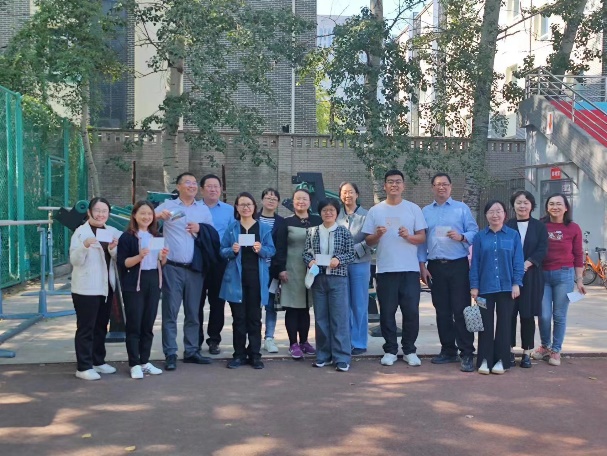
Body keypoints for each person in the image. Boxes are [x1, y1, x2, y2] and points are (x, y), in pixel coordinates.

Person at [362, 170, 427, 367]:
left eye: (398, 182)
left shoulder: (413, 209)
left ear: (403, 186)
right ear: (384, 186)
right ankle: (390, 350)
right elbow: (368, 240)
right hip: (385, 270)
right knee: (387, 313)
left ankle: (409, 350)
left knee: (411, 312)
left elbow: (422, 237)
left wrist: (408, 236)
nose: (394, 185)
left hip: (409, 270)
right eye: (390, 182)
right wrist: (377, 235)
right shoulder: (376, 211)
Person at [418, 173, 479, 372]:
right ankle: (448, 350)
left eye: (445, 184)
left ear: (451, 187)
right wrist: (422, 265)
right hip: (435, 267)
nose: (441, 187)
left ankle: (467, 352)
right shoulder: (425, 211)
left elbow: (475, 232)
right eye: (437, 184)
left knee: (461, 310)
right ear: (432, 188)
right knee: (442, 311)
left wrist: (461, 236)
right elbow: (422, 240)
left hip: (458, 265)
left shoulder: (462, 209)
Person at [156, 172, 214, 370]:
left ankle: (191, 351)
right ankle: (170, 353)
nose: (192, 185)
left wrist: (200, 228)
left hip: (195, 269)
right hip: (172, 268)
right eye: (187, 182)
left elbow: (211, 235)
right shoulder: (168, 205)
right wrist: (158, 216)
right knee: (170, 313)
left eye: (194, 183)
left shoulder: (203, 209)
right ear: (178, 186)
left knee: (193, 313)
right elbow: (145, 219)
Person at [219, 192, 275, 369]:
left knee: (255, 318)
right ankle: (239, 355)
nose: (245, 207)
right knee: (239, 319)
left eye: (248, 204)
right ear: (236, 207)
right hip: (236, 280)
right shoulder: (232, 228)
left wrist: (261, 249)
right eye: (242, 204)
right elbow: (222, 250)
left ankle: (255, 355)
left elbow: (271, 250)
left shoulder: (263, 228)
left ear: (254, 207)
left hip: (257, 279)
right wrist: (232, 250)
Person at [470, 200, 524, 375]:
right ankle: (484, 360)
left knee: (504, 324)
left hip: (507, 288)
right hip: (484, 289)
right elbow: (475, 263)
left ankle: (502, 360)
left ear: (505, 214)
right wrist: (474, 286)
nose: (495, 215)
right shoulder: (479, 237)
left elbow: (518, 261)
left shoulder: (513, 235)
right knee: (485, 325)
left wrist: (516, 283)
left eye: (499, 211)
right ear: (486, 215)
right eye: (491, 212)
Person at [69, 197, 121, 381]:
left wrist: (113, 249)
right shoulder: (80, 233)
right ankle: (83, 366)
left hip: (105, 287)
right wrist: (84, 246)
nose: (100, 214)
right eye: (97, 210)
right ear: (89, 212)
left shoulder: (112, 231)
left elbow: (118, 259)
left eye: (104, 211)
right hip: (86, 289)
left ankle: (98, 361)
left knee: (101, 326)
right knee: (86, 328)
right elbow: (75, 261)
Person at [532, 193, 586, 366]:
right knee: (544, 315)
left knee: (559, 315)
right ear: (547, 207)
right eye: (551, 204)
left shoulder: (573, 228)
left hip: (564, 275)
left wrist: (579, 280)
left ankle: (555, 350)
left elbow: (578, 255)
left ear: (566, 207)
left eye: (559, 204)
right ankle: (545, 346)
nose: (555, 207)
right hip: (542, 275)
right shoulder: (540, 225)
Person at [117, 201, 169, 379]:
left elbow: (161, 263)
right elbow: (123, 263)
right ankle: (134, 364)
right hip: (134, 283)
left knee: (148, 323)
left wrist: (163, 256)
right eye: (142, 213)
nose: (146, 217)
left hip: (153, 280)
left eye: (149, 214)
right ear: (134, 215)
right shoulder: (127, 237)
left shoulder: (157, 235)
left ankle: (145, 361)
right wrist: (139, 256)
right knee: (134, 324)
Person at [304, 198, 356, 372]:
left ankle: (342, 357)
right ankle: (323, 355)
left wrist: (338, 259)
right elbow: (306, 253)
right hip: (318, 279)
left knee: (339, 318)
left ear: (337, 213)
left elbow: (351, 254)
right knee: (321, 318)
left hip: (338, 279)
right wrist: (310, 261)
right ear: (320, 213)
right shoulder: (312, 232)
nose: (328, 213)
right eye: (325, 210)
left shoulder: (344, 232)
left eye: (331, 210)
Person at [273, 189, 322, 359]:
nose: (301, 201)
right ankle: (293, 344)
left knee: (305, 308)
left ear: (310, 202)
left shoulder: (318, 220)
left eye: (304, 199)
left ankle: (304, 342)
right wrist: (280, 269)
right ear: (293, 202)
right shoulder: (285, 222)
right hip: (292, 269)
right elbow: (279, 247)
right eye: (298, 199)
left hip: (312, 270)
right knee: (293, 308)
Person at [506, 190, 548, 368]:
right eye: (518, 202)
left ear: (531, 205)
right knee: (509, 314)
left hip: (531, 276)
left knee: (527, 315)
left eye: (525, 202)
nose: (522, 206)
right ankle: (508, 350)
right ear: (513, 205)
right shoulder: (507, 225)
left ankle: (526, 353)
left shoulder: (539, 226)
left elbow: (542, 249)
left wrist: (527, 263)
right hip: (509, 277)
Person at [198, 174, 235, 355]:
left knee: (217, 303)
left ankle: (214, 339)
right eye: (209, 186)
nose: (213, 189)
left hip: (220, 260)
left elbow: (234, 234)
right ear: (202, 189)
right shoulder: (194, 208)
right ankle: (195, 340)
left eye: (216, 186)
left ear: (221, 190)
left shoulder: (229, 210)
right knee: (195, 303)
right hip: (197, 260)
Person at [336, 182, 372, 355]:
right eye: (344, 192)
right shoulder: (336, 215)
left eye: (351, 192)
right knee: (343, 304)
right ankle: (345, 340)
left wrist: (355, 251)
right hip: (340, 265)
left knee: (359, 303)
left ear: (357, 194)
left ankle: (359, 342)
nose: (347, 195)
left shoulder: (366, 215)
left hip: (360, 263)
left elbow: (372, 239)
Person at [258, 188, 285, 353]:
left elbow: (281, 248)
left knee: (270, 305)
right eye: (268, 198)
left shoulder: (281, 222)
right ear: (262, 200)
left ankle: (269, 338)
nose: (270, 201)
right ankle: (253, 336)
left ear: (278, 203)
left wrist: (280, 269)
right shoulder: (253, 218)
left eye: (274, 199)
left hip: (272, 271)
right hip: (254, 270)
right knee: (254, 305)